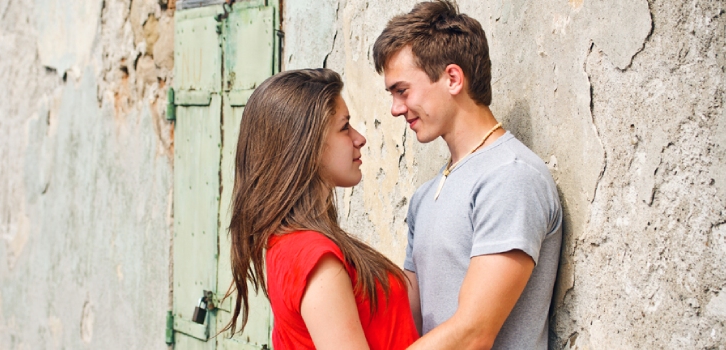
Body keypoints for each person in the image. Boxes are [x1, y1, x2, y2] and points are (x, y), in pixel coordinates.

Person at [372, 1, 563, 349]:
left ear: (453, 78)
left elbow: (473, 333)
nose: (396, 108)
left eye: (402, 91)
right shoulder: (425, 195)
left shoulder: (510, 177)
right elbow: (406, 317)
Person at [224, 68, 419, 349]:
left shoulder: (291, 243)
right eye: (344, 127)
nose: (359, 138)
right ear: (306, 144)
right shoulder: (313, 256)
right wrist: (467, 329)